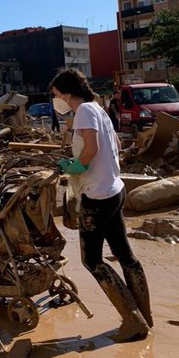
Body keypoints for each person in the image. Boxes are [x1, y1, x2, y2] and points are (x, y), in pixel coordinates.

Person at [51, 67, 152, 342]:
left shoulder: (84, 110)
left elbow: (92, 148)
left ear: (67, 93)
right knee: (125, 255)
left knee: (92, 260)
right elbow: (115, 145)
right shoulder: (99, 109)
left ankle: (133, 320)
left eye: (56, 94)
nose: (56, 99)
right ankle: (144, 314)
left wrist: (76, 165)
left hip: (97, 197)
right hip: (114, 190)